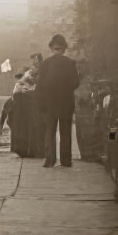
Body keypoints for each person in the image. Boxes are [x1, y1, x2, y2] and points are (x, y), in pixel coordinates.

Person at [36, 33, 80, 168]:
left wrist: (41, 103)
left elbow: (40, 86)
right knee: (65, 131)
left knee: (50, 131)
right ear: (64, 49)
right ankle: (66, 160)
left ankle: (50, 159)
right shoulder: (70, 63)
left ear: (51, 48)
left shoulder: (44, 65)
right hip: (66, 101)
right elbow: (75, 83)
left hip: (49, 103)